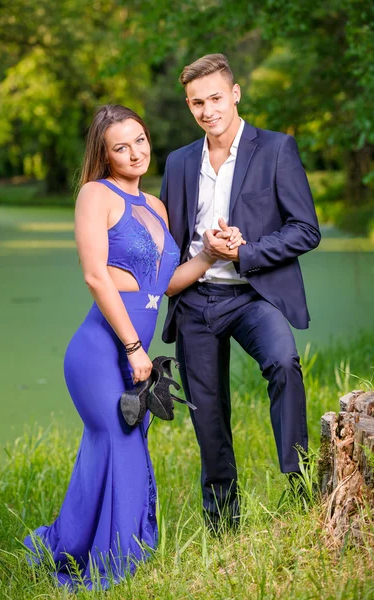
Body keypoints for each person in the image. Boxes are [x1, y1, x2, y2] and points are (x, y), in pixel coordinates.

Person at [24, 104, 244, 590]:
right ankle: (117, 569)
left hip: (135, 358)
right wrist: (131, 347)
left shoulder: (155, 207)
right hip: (101, 351)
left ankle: (68, 545)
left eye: (140, 140)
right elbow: (96, 276)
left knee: (109, 449)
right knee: (121, 445)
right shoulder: (94, 195)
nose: (135, 152)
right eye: (121, 147)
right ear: (104, 155)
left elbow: (166, 284)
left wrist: (210, 252)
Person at [160, 54, 321, 529]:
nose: (208, 110)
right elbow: (170, 241)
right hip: (195, 301)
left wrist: (244, 251)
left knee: (284, 364)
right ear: (189, 106)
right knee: (207, 411)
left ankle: (302, 487)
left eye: (215, 98)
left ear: (234, 93)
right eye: (197, 103)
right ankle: (223, 522)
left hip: (254, 294)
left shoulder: (276, 149)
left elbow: (305, 230)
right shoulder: (179, 161)